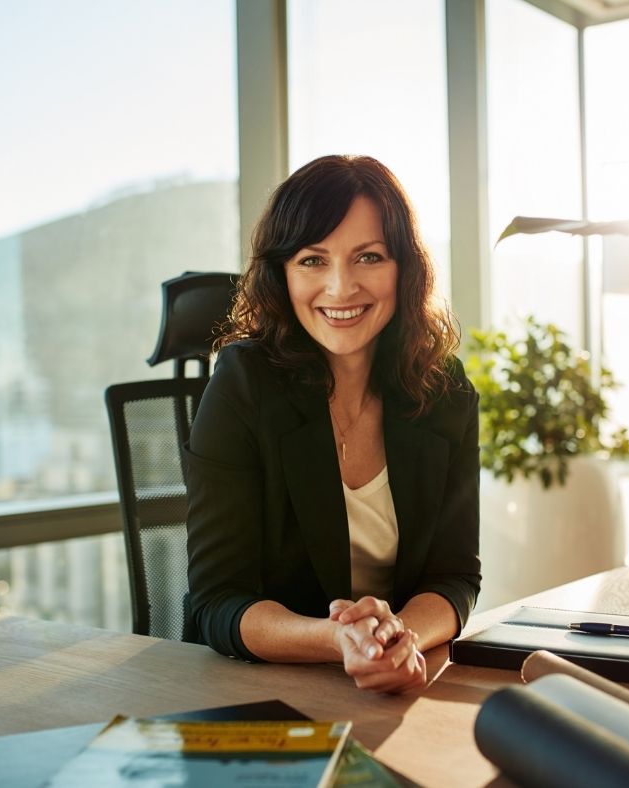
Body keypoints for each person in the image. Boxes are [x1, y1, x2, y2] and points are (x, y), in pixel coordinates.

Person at [184, 154, 480, 694]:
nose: (341, 289)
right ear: (282, 273)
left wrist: (398, 636)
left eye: (368, 257)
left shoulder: (445, 392)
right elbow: (217, 601)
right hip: (259, 689)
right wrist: (338, 640)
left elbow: (454, 576)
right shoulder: (244, 384)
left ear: (404, 268)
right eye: (312, 260)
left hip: (395, 688)